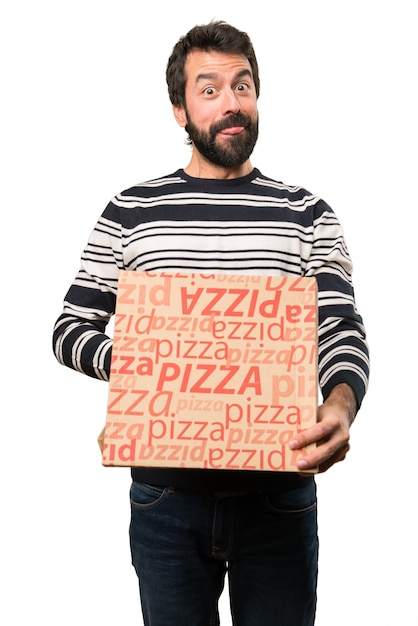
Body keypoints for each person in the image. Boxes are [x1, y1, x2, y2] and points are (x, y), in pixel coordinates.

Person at [53, 20, 369, 626]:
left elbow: (339, 329)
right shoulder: (131, 210)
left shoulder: (307, 213)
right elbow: (70, 329)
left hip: (279, 495)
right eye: (209, 89)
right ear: (179, 109)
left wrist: (342, 406)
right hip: (166, 498)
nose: (231, 103)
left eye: (243, 86)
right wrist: (152, 372)